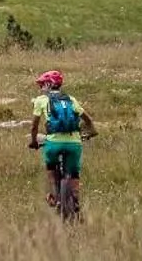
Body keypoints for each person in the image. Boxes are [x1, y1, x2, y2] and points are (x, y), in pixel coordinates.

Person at [29, 70, 98, 207]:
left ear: (48, 85)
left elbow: (34, 127)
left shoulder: (41, 101)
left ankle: (54, 195)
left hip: (53, 143)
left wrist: (33, 141)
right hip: (74, 143)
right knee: (73, 172)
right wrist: (92, 131)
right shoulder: (71, 99)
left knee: (50, 166)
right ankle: (75, 199)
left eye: (42, 85)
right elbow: (88, 119)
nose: (41, 88)